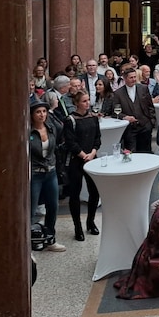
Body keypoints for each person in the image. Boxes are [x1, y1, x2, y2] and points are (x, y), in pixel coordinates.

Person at [61, 91, 102, 242]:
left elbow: (98, 138)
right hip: (76, 160)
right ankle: (77, 226)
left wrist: (92, 153)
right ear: (77, 103)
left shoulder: (93, 118)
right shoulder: (70, 119)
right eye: (84, 101)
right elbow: (70, 142)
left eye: (88, 100)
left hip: (92, 158)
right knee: (75, 194)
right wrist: (83, 154)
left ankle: (90, 222)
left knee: (94, 192)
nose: (87, 103)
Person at [28, 99, 66, 252]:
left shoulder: (51, 128)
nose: (42, 115)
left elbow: (61, 126)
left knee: (53, 207)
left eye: (44, 111)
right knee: (31, 209)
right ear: (32, 115)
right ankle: (29, 244)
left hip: (50, 172)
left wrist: (52, 111)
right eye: (38, 112)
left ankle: (50, 239)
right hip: (35, 174)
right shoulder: (28, 131)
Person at [113, 67, 156, 153]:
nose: (133, 79)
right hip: (129, 129)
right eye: (131, 77)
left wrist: (151, 122)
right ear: (125, 78)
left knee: (146, 153)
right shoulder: (118, 93)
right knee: (132, 153)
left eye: (135, 77)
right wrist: (125, 117)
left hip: (145, 126)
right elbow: (115, 112)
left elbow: (150, 106)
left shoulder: (143, 88)